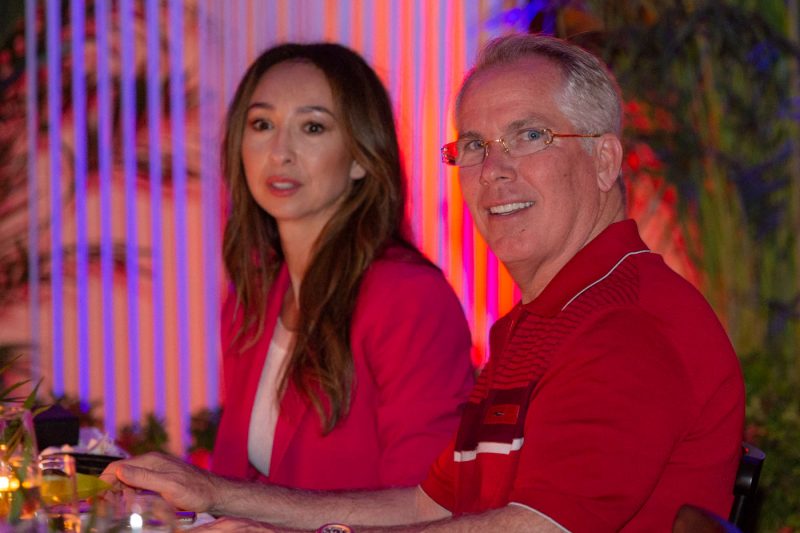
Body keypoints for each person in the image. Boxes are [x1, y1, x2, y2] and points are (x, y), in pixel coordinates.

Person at [102, 34, 745, 532]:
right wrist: (217, 492)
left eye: (528, 136)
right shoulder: (540, 320)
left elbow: (539, 528)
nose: (494, 170)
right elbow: (427, 501)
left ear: (605, 158)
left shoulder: (622, 324)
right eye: (473, 145)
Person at [206, 42, 475, 491]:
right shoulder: (249, 302)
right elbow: (238, 492)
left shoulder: (409, 299)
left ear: (359, 157)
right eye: (262, 124)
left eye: (312, 127)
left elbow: (426, 506)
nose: (279, 151)